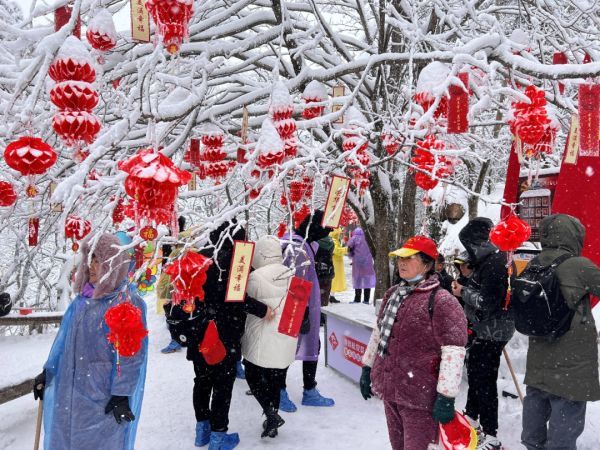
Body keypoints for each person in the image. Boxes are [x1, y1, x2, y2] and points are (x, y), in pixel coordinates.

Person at [32, 233, 148, 450]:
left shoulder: (126, 302)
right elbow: (63, 343)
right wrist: (48, 372)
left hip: (102, 397)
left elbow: (131, 356)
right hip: (69, 392)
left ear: (112, 264)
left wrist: (121, 393)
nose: (90, 266)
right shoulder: (81, 300)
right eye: (89, 259)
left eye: (97, 260)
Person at [360, 235, 467, 449]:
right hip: (391, 389)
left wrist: (446, 396)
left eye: (410, 258)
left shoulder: (442, 301)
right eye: (400, 258)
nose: (402, 263)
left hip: (420, 396)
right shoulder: (393, 294)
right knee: (397, 445)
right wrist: (367, 367)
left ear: (427, 264)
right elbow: (379, 333)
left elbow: (453, 351)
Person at [178, 220, 268, 450]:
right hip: (225, 335)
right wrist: (263, 309)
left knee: (201, 381)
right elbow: (238, 298)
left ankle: (202, 430)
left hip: (199, 332)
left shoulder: (199, 259)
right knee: (222, 385)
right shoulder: (237, 262)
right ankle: (218, 436)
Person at [521, 214, 600, 450]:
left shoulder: (534, 264)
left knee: (534, 427)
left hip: (538, 361)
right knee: (563, 433)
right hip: (571, 365)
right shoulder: (578, 265)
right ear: (574, 236)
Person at [452, 217, 515, 450]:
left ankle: (491, 434)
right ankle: (472, 417)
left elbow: (487, 302)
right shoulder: (490, 260)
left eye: (469, 245)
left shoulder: (496, 263)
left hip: (492, 332)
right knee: (476, 377)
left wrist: (462, 292)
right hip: (484, 330)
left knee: (485, 381)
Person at [280, 209, 335, 412]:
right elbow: (294, 282)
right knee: (287, 350)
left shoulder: (305, 243)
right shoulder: (296, 248)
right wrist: (301, 315)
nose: (327, 233)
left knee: (312, 346)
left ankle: (308, 390)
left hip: (305, 306)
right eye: (325, 229)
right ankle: (280, 390)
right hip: (296, 309)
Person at [241, 235, 295, 439]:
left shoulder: (254, 277)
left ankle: (270, 412)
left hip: (260, 336)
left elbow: (243, 303)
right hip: (285, 336)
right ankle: (273, 416)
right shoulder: (291, 274)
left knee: (253, 374)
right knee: (276, 378)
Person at [159, 216, 187, 354]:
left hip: (176, 279)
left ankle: (177, 339)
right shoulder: (171, 239)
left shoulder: (181, 240)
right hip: (174, 279)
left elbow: (165, 262)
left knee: (173, 310)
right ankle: (179, 337)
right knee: (176, 309)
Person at [347, 227, 376, 304]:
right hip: (368, 262)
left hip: (357, 262)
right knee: (367, 280)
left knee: (357, 279)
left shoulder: (353, 238)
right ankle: (366, 299)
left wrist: (351, 255)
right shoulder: (368, 238)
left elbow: (349, 248)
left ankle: (357, 299)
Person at [314, 233, 335, 324]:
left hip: (317, 272)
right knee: (325, 295)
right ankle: (323, 317)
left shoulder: (315, 242)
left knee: (316, 296)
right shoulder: (330, 242)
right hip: (328, 271)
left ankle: (317, 317)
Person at [329, 228, 347, 303]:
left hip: (336, 263)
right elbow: (337, 251)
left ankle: (331, 295)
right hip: (335, 263)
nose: (339, 235)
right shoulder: (333, 241)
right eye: (338, 234)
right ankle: (331, 296)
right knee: (334, 280)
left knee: (334, 280)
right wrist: (347, 249)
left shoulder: (334, 240)